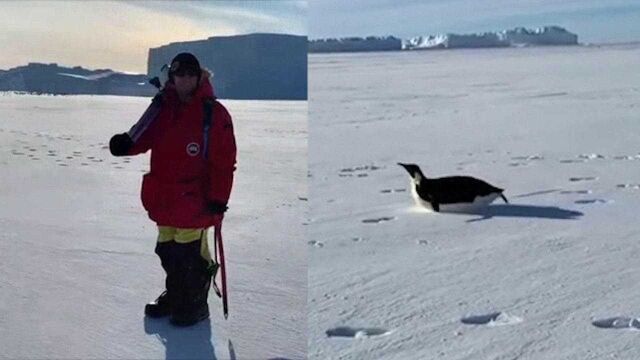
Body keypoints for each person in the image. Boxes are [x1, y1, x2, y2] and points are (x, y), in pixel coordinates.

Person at [109, 52, 237, 326]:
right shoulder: (161, 107)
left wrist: (218, 198)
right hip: (164, 197)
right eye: (180, 74)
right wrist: (125, 145)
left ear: (199, 76)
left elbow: (224, 161)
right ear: (172, 77)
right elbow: (142, 135)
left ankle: (195, 303)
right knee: (167, 249)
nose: (185, 79)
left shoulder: (213, 113)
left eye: (191, 74)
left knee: (189, 254)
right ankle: (177, 294)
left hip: (195, 199)